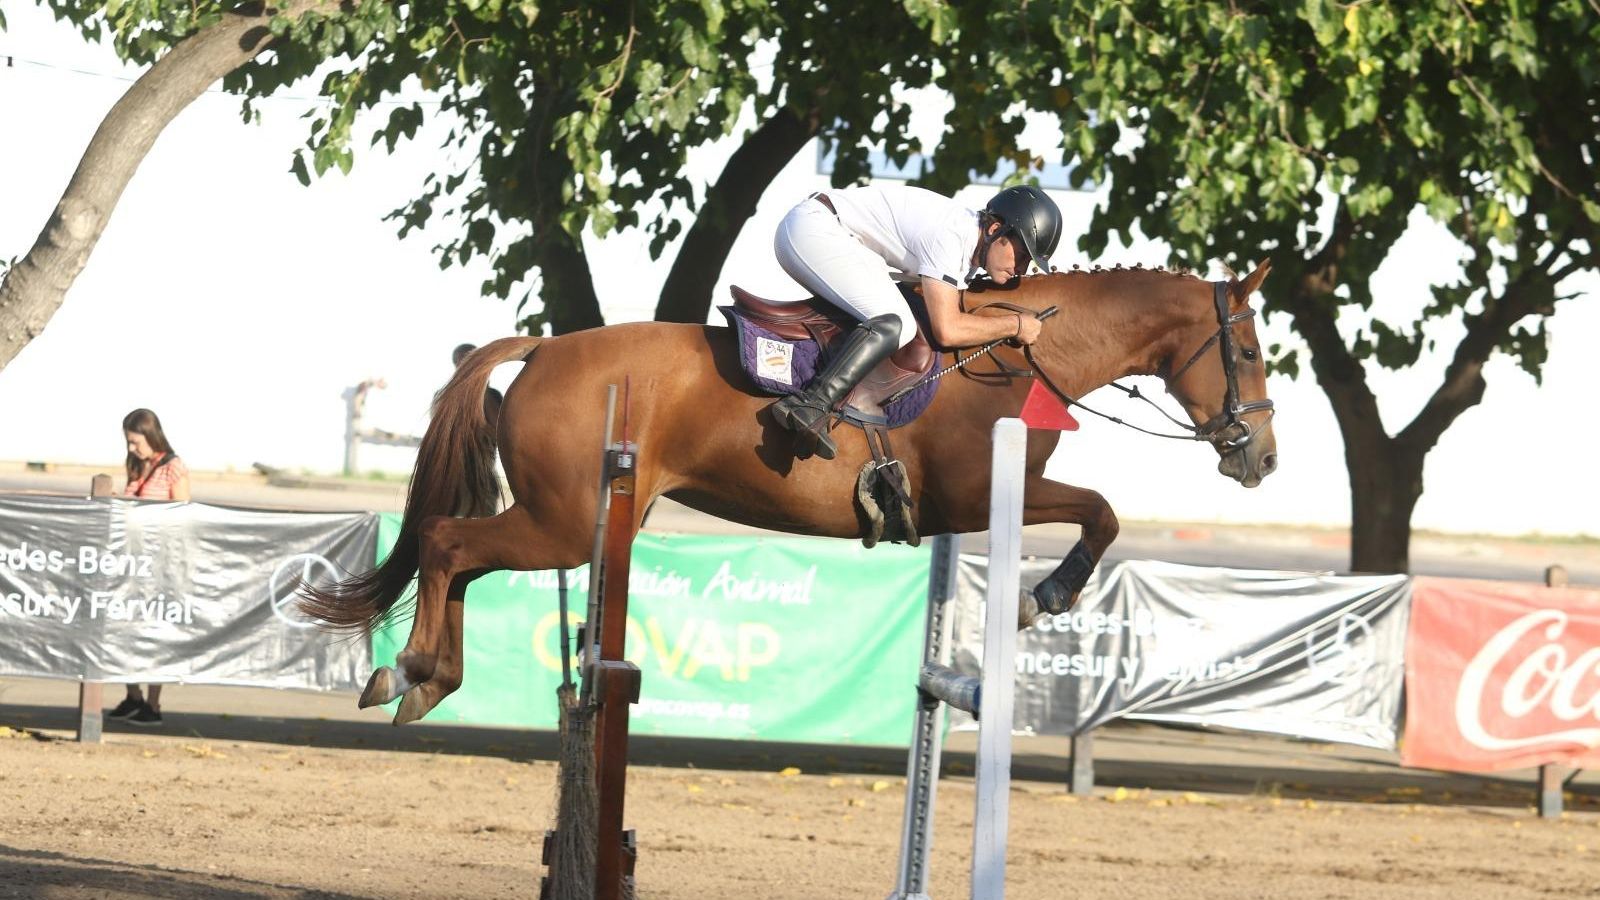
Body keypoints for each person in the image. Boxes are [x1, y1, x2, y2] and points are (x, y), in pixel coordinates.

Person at [769, 184, 1063, 460]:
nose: (1021, 269)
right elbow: (947, 330)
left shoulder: (967, 244)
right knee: (898, 322)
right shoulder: (951, 234)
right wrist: (1016, 325)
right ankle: (810, 403)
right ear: (996, 229)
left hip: (836, 234)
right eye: (1021, 255)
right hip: (814, 230)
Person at [106, 408, 190, 727]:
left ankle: (153, 704)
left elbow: (182, 515)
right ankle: (133, 694)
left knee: (155, 631)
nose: (131, 448)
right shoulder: (137, 465)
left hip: (160, 564)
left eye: (134, 441)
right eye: (128, 442)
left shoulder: (174, 468)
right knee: (125, 628)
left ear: (150, 436)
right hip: (131, 561)